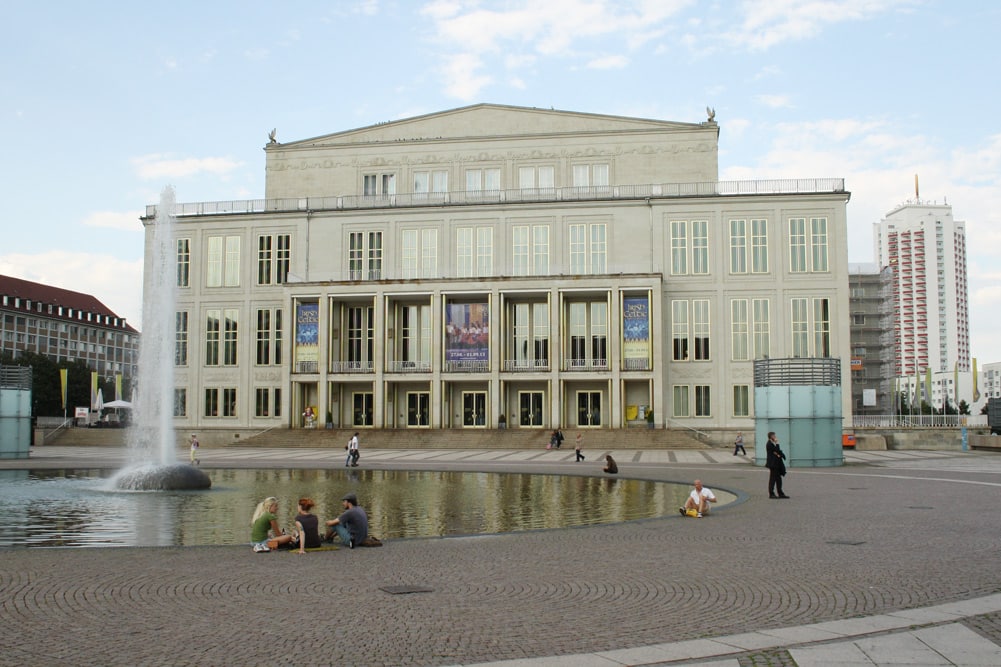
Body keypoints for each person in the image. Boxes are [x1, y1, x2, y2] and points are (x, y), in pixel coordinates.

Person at [766, 431, 789, 499]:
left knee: (778, 479)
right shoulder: (769, 443)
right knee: (772, 479)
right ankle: (771, 493)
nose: (775, 437)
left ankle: (780, 493)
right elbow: (777, 450)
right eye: (774, 436)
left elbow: (777, 452)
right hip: (773, 464)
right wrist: (777, 443)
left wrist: (779, 454)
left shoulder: (772, 443)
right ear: (771, 436)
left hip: (777, 463)